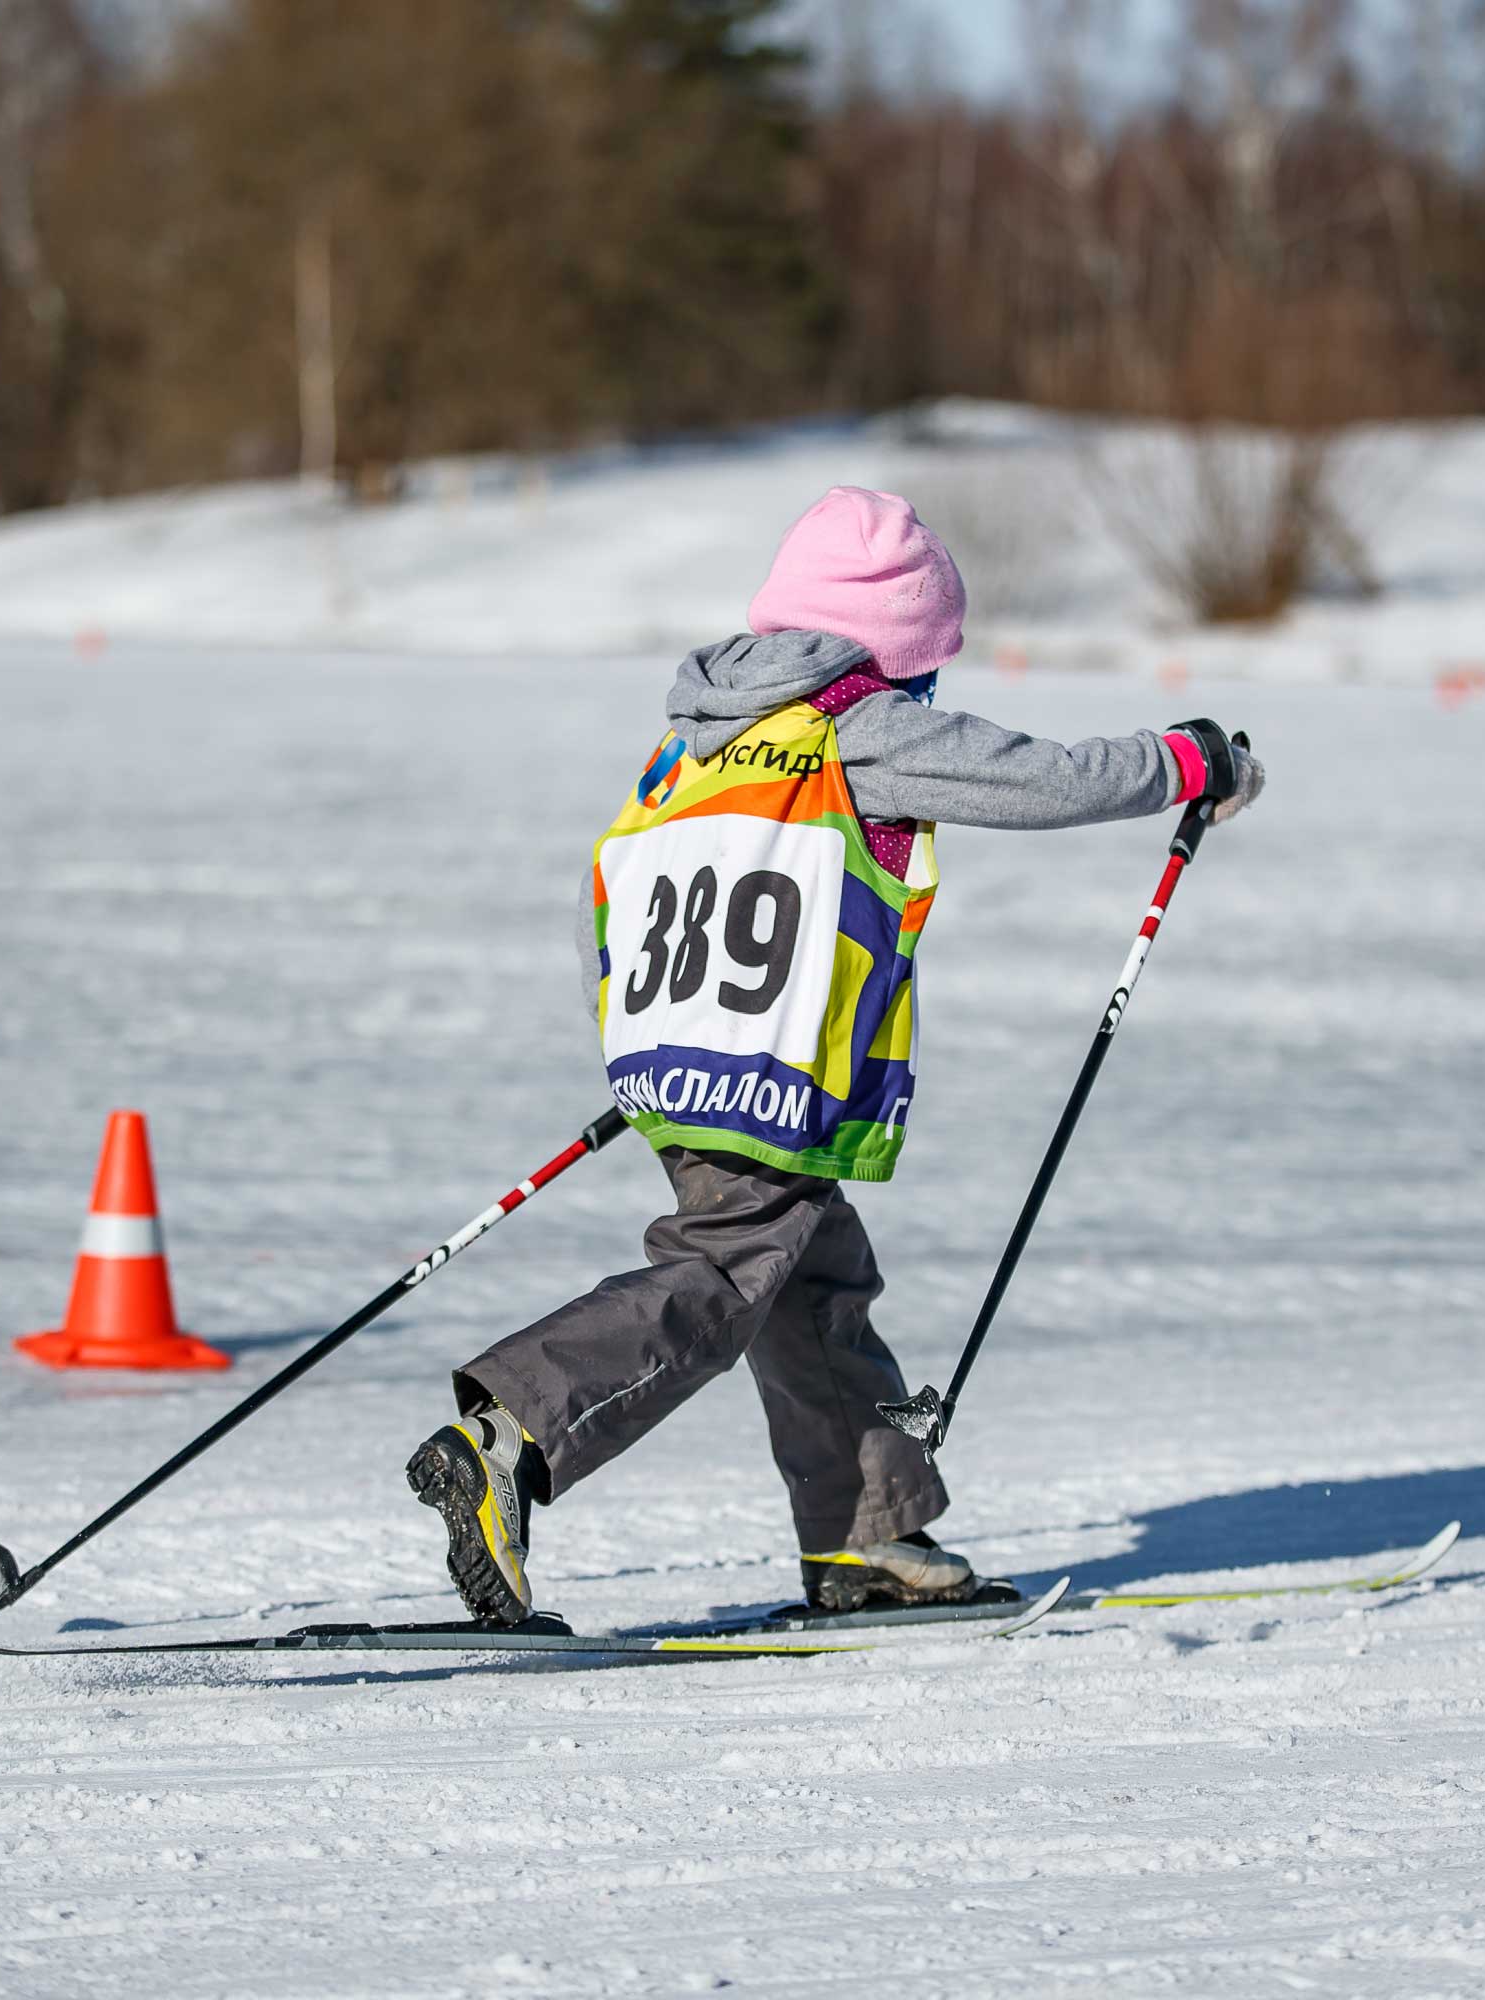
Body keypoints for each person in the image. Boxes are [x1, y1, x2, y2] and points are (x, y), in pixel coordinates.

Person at [407, 485, 1262, 1625]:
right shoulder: (860, 726)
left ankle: (865, 1534)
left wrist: (657, 1044)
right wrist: (1187, 760)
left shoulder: (694, 743)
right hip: (766, 1073)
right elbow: (1039, 777)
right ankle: (510, 1435)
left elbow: (603, 891)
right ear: (896, 648)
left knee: (814, 1278)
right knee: (724, 1273)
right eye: (930, 666)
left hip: (685, 1058)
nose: (931, 689)